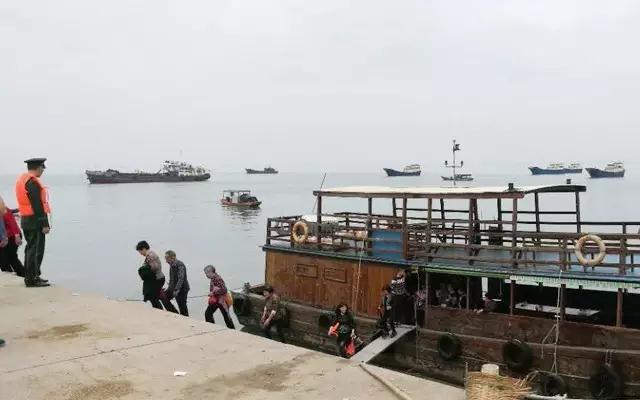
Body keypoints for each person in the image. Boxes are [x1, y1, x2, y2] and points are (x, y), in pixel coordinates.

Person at [15, 158, 51, 287]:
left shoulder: (22, 180)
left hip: (26, 219)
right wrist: (44, 224)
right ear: (38, 167)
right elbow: (37, 205)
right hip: (35, 221)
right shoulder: (32, 183)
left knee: (30, 249)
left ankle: (31, 276)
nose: (43, 170)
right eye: (42, 167)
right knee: (36, 250)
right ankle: (32, 279)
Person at [136, 240, 175, 311]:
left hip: (157, 279)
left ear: (144, 249)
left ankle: (160, 312)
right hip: (158, 279)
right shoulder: (150, 255)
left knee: (152, 296)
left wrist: (144, 269)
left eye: (140, 251)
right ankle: (166, 311)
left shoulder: (151, 255)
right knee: (157, 296)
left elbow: (155, 267)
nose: (140, 254)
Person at [0, 207, 25, 276]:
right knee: (3, 259)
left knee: (11, 257)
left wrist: (17, 236)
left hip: (12, 236)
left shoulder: (3, 209)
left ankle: (23, 275)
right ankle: (12, 275)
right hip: (4, 237)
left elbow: (12, 223)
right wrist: (14, 211)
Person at [164, 250, 190, 316]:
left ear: (173, 257)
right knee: (164, 297)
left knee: (182, 307)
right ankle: (175, 313)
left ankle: (185, 319)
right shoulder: (171, 265)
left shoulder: (180, 265)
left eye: (167, 258)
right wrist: (169, 288)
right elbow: (172, 279)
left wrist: (176, 289)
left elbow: (181, 278)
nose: (166, 261)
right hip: (173, 288)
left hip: (182, 289)